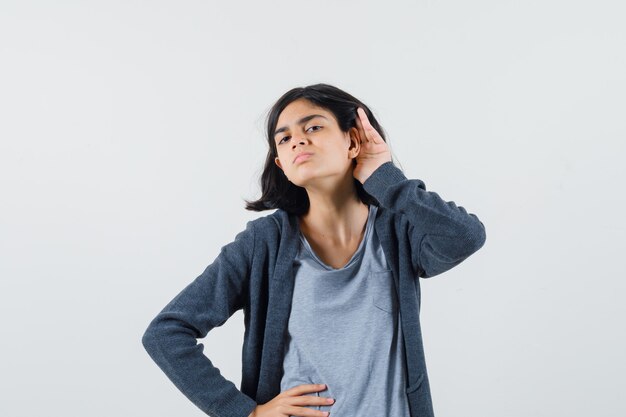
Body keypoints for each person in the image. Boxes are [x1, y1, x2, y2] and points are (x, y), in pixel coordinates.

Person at [142, 83, 487, 417]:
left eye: (314, 127)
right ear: (281, 163)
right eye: (285, 138)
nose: (298, 141)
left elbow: (465, 237)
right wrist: (245, 412)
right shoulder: (262, 243)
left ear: (353, 141)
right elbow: (166, 333)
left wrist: (386, 179)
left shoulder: (398, 232)